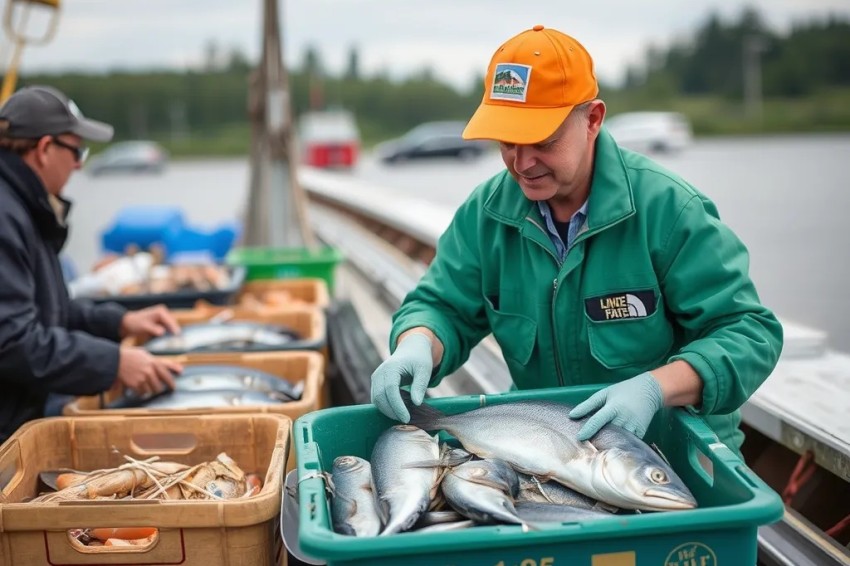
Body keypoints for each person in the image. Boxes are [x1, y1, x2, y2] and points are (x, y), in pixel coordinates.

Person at [370, 25, 783, 454]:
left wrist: (656, 388)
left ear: (593, 119)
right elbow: (442, 306)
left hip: (669, 452)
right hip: (550, 447)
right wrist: (416, 342)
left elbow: (749, 332)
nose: (523, 162)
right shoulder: (486, 216)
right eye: (507, 142)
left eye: (542, 142)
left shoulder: (668, 209)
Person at [0, 85, 182, 443]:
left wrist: (121, 321)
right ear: (43, 149)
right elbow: (13, 341)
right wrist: (113, 363)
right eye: (76, 150)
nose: (80, 163)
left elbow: (51, 312)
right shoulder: (6, 215)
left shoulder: (22, 206)